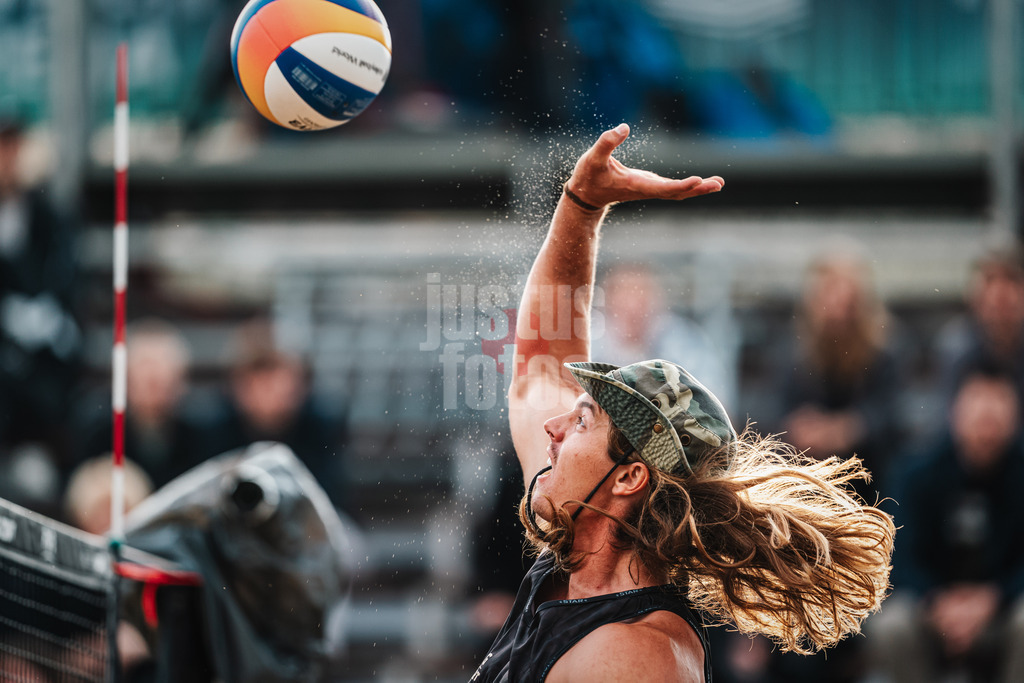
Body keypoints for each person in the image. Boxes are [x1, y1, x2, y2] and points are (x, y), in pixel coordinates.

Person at [470, 124, 895, 682]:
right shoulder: (574, 546)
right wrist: (580, 205)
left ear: (628, 479)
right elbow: (540, 367)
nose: (552, 425)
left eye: (581, 420)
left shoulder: (631, 655)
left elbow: (539, 375)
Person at [867, 365, 1024, 683]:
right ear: (955, 410)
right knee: (891, 625)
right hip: (932, 610)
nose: (987, 416)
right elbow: (898, 556)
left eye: (998, 404)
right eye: (977, 402)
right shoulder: (917, 472)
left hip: (1004, 610)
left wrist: (993, 599)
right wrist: (938, 602)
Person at [776, 249, 902, 504]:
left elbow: (891, 414)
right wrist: (800, 428)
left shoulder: (883, 353)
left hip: (870, 478)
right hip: (810, 479)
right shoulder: (795, 351)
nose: (837, 308)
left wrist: (848, 428)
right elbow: (778, 412)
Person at [77, 319, 209, 490]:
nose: (154, 376)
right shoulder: (99, 436)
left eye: (163, 368)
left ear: (181, 380)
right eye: (144, 366)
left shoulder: (201, 438)